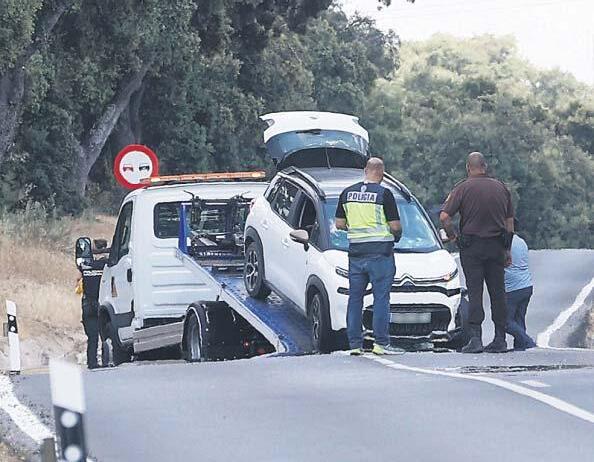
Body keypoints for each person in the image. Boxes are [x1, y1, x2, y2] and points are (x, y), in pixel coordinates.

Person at [440, 152, 514, 354]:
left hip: (472, 246)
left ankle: (475, 338)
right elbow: (509, 222)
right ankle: (500, 338)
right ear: (485, 166)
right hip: (496, 245)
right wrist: (507, 249)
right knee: (498, 292)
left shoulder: (462, 188)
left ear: (468, 167)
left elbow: (445, 217)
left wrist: (454, 237)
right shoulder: (501, 188)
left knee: (475, 291)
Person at [335, 157, 403, 356]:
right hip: (380, 254)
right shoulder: (384, 194)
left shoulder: (347, 193)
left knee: (355, 299)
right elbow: (395, 226)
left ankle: (355, 345)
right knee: (381, 298)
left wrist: (356, 229)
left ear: (365, 170)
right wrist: (396, 235)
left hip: (356, 254)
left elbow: (339, 224)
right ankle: (380, 344)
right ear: (382, 173)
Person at [77, 241, 108, 369]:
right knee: (106, 335)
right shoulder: (106, 265)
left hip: (87, 304)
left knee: (92, 337)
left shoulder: (85, 265)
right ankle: (107, 360)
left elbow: (78, 280)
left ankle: (92, 362)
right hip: (102, 304)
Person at [505, 225, 536, 350]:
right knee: (519, 319)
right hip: (526, 285)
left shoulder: (505, 243)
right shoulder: (521, 242)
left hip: (512, 288)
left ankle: (528, 342)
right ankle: (520, 346)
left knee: (505, 321)